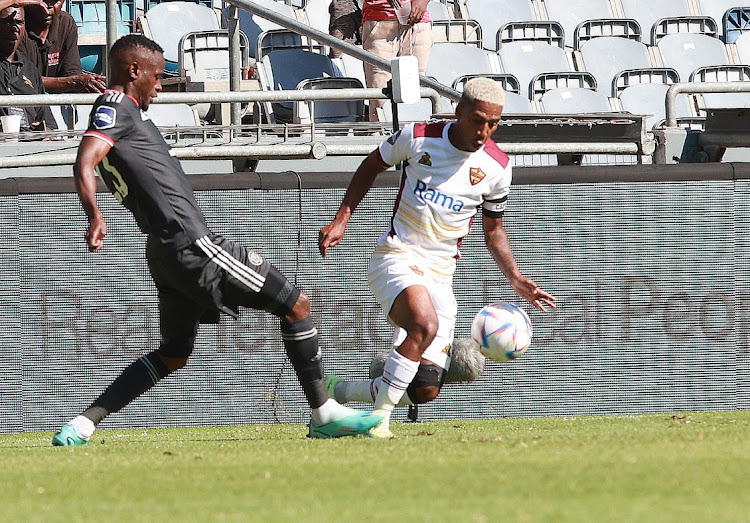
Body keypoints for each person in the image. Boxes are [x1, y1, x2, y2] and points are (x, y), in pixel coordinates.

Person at [51, 34, 384, 446]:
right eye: (156, 76)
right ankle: (324, 412)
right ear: (133, 71)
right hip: (193, 244)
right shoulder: (116, 106)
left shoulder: (127, 114)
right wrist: (94, 215)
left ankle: (83, 423)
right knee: (296, 304)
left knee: (174, 353)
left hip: (164, 250)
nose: (160, 85)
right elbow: (85, 160)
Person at [318, 78, 557, 438]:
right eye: (478, 120)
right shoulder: (417, 136)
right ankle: (377, 422)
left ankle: (337, 391)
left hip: (441, 275)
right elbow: (371, 166)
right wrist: (341, 220)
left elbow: (493, 231)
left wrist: (515, 277)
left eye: (493, 124)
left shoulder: (498, 167)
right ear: (459, 111)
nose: (484, 131)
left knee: (425, 388)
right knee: (423, 326)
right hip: (397, 256)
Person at [361, 0, 433, 121]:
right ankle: (379, 134)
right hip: (381, 19)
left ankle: (415, 136)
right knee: (379, 94)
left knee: (415, 90)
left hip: (418, 21)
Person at [17, 0, 106, 93]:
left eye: (54, 2)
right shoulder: (17, 24)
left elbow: (71, 72)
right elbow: (22, 78)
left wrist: (80, 82)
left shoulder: (66, 23)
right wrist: (73, 82)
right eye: (42, 1)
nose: (47, 8)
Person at [0, 1, 57, 131]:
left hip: (30, 148)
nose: (14, 27)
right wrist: (14, 1)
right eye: (7, 22)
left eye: (19, 23)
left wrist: (44, 131)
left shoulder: (30, 69)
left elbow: (50, 125)